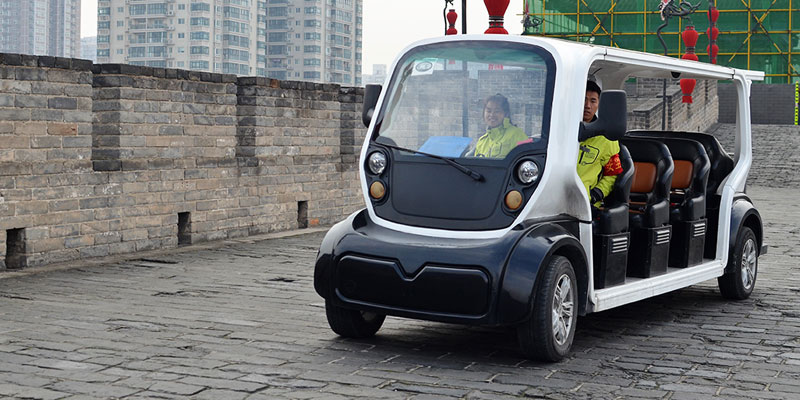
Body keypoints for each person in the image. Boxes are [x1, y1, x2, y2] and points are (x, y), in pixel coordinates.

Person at [577, 81, 622, 209]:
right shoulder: (561, 130)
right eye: (584, 99)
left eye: (593, 101)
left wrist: (596, 194)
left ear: (598, 105)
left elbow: (612, 174)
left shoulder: (607, 138)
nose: (587, 105)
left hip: (586, 204)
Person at [474, 94, 528, 158]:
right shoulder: (482, 141)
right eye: (489, 111)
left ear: (506, 114)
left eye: (497, 111)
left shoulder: (517, 134)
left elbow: (526, 160)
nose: (492, 115)